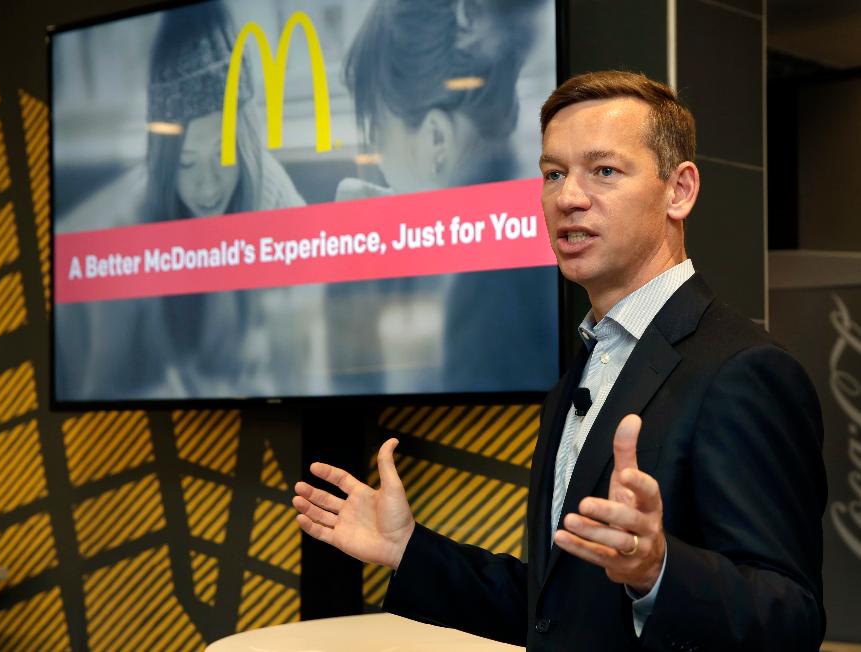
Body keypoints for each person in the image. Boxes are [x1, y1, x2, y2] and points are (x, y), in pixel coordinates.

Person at [293, 70, 827, 651]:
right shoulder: (582, 371)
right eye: (553, 173)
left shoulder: (743, 369)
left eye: (604, 171)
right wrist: (407, 549)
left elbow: (791, 619)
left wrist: (659, 572)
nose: (569, 197)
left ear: (680, 191)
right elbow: (555, 611)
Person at [55, 2, 314, 400]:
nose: (207, 187)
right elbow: (98, 392)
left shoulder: (279, 206)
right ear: (162, 165)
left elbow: (309, 366)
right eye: (187, 163)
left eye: (223, 157)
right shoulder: (122, 241)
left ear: (244, 149)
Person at [326, 0, 557, 394]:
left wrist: (349, 279)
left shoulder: (489, 295)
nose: (379, 166)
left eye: (379, 138)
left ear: (435, 139)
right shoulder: (526, 225)